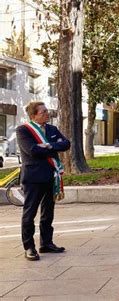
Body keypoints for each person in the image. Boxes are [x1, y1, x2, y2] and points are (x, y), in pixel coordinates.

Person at [16, 101, 70, 261]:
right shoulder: (24, 130)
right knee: (30, 213)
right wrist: (54, 146)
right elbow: (32, 150)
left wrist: (46, 145)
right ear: (33, 116)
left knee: (48, 212)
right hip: (33, 178)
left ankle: (46, 243)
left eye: (47, 111)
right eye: (43, 112)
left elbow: (66, 144)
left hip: (51, 176)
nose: (47, 114)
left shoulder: (52, 129)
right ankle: (29, 247)